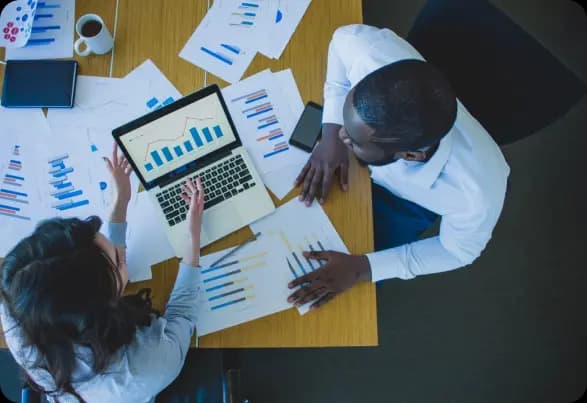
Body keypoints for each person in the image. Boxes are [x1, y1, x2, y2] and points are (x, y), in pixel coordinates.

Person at [288, 24, 510, 309]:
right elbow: (340, 42)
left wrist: (362, 268)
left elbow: (457, 252)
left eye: (353, 140)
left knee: (339, 277)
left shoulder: (475, 194)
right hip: (380, 164)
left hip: (412, 201)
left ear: (410, 155)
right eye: (347, 124)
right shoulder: (370, 51)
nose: (346, 136)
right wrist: (331, 133)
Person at [0, 144, 205, 402]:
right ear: (105, 305)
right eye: (116, 264)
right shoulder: (145, 367)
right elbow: (183, 317)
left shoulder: (16, 303)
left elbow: (90, 267)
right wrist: (192, 239)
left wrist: (120, 204)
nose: (122, 261)